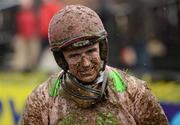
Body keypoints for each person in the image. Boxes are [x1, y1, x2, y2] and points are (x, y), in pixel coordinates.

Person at [21, 5, 169, 125]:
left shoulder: (134, 93)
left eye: (91, 51)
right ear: (61, 59)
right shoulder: (42, 100)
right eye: (74, 56)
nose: (85, 63)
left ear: (102, 49)